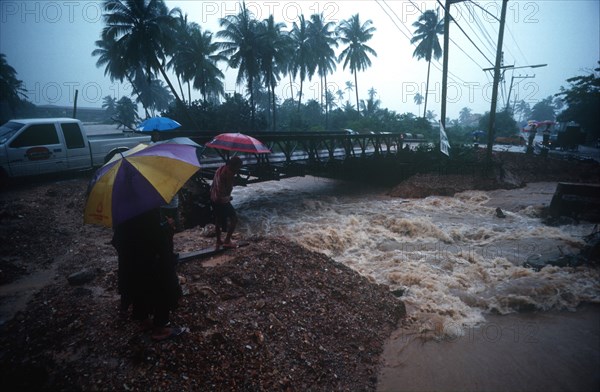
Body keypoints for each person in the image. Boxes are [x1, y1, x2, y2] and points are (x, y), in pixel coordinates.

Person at [112, 208, 186, 341]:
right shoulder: (147, 210)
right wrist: (168, 228)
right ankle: (160, 329)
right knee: (162, 290)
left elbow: (117, 240)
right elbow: (158, 240)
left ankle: (144, 320)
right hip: (152, 262)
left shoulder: (121, 213)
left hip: (131, 263)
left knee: (139, 288)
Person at [210, 156, 243, 249]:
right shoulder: (229, 173)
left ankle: (218, 241)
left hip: (213, 198)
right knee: (234, 219)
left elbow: (220, 184)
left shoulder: (220, 168)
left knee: (218, 220)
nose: (238, 169)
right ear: (234, 166)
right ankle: (227, 241)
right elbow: (228, 190)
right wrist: (233, 183)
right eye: (238, 167)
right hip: (221, 200)